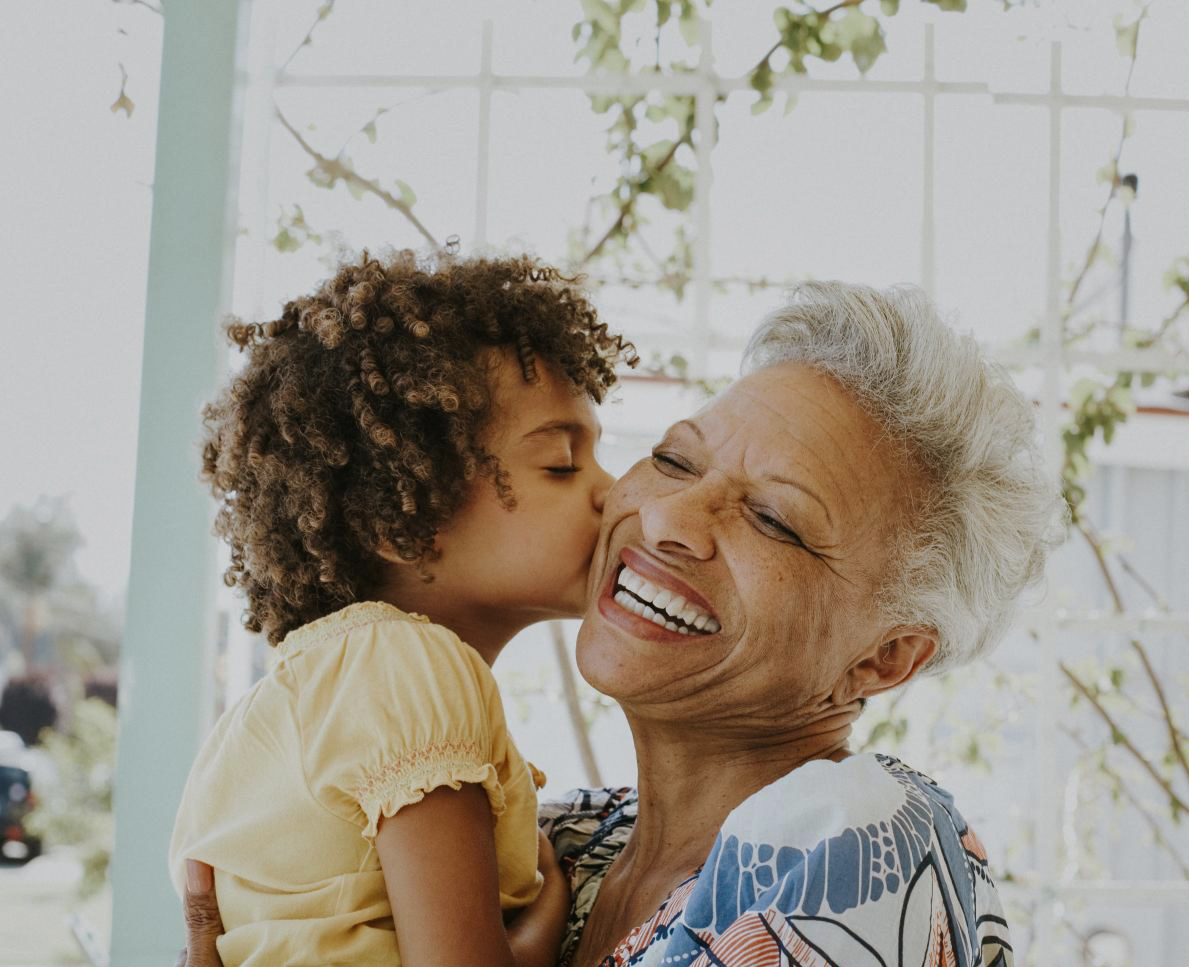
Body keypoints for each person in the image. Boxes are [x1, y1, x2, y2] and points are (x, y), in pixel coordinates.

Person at [182, 281, 1060, 966]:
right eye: (675, 458)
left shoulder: (854, 842)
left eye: (775, 520)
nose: (669, 516)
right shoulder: (555, 837)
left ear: (885, 657)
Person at [169, 251, 634, 967]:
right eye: (562, 465)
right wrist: (547, 925)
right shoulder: (414, 668)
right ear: (401, 518)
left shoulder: (296, 699)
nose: (613, 490)